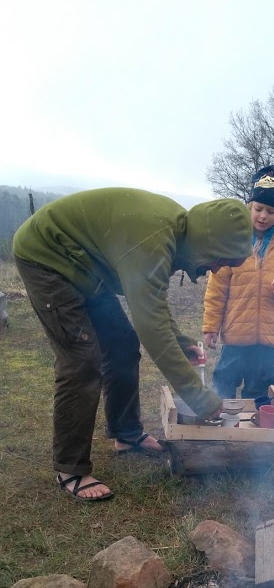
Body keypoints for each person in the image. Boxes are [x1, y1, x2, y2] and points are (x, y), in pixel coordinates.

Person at [13, 187, 252, 501]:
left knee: (123, 345)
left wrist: (181, 341)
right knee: (81, 359)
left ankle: (126, 434)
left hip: (86, 267)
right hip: (48, 257)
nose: (218, 268)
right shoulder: (153, 241)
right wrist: (200, 397)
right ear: (208, 242)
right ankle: (70, 468)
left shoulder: (177, 235)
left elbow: (154, 302)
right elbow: (151, 325)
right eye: (220, 259)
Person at [202, 165, 274, 399]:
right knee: (224, 384)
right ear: (249, 207)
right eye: (258, 209)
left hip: (268, 337)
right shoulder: (232, 243)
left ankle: (257, 423)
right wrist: (210, 327)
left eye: (271, 211)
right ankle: (220, 420)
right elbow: (216, 290)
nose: (263, 216)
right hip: (236, 332)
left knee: (259, 391)